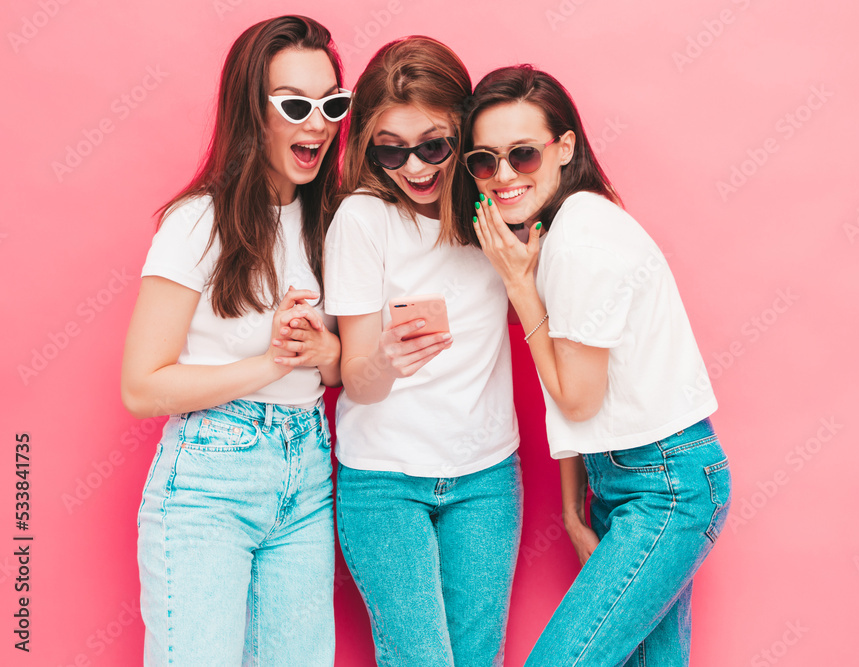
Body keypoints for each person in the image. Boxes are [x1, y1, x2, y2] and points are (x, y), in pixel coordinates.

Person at [463, 64, 731, 666]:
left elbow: (578, 398)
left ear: (564, 148)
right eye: (485, 160)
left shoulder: (578, 243)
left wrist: (520, 286)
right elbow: (583, 397)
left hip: (665, 483)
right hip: (636, 478)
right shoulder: (566, 229)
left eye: (523, 155)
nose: (503, 176)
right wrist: (572, 507)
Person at [120, 15, 346, 665]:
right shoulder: (198, 223)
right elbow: (143, 385)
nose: (318, 124)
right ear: (253, 111)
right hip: (208, 480)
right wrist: (268, 361)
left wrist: (326, 355)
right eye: (296, 105)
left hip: (306, 474)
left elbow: (329, 373)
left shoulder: (326, 220)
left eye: (331, 104)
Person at [323, 36, 522, 667]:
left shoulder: (495, 210)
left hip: (487, 478)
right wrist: (383, 358)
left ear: (464, 134)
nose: (415, 167)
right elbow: (354, 376)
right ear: (367, 145)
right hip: (384, 480)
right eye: (391, 149)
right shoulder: (362, 220)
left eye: (434, 145)